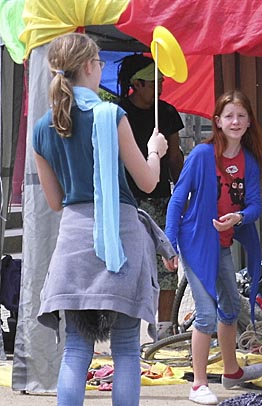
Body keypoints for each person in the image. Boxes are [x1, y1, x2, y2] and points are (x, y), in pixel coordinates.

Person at [33, 33, 173, 405]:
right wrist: (154, 151)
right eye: (99, 64)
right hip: (122, 241)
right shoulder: (111, 116)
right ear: (89, 67)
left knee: (77, 351)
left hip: (74, 242)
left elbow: (55, 201)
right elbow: (147, 180)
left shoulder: (41, 128)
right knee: (126, 348)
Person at [164, 90, 262, 404]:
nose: (235, 121)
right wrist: (169, 244)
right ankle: (198, 384)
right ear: (217, 122)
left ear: (249, 121)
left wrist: (238, 217)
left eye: (241, 116)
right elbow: (177, 201)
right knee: (207, 316)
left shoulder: (249, 161)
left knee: (231, 309)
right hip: (196, 244)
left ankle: (232, 372)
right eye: (229, 116)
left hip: (223, 243)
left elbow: (254, 206)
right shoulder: (201, 155)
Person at [117, 54, 185, 339]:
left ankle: (165, 329)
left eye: (161, 80)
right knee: (128, 263)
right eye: (154, 81)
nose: (160, 85)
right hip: (126, 199)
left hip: (159, 199)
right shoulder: (117, 114)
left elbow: (175, 157)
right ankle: (125, 326)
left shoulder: (167, 113)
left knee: (166, 262)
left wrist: (183, 189)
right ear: (137, 83)